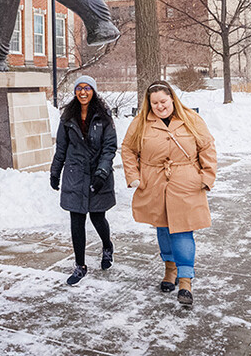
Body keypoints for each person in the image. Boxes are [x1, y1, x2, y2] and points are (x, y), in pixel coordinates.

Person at [121, 80, 216, 306]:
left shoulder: (191, 119)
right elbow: (127, 148)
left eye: (163, 101)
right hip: (154, 183)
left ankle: (185, 281)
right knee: (163, 228)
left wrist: (208, 176)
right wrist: (133, 176)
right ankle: (170, 269)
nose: (159, 106)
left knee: (183, 230)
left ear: (172, 98)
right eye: (154, 103)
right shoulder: (140, 123)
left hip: (186, 182)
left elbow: (207, 146)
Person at [50, 75, 117, 286]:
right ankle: (80, 266)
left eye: (87, 88)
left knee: (98, 218)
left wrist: (101, 174)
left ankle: (107, 246)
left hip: (99, 175)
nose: (83, 92)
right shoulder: (68, 117)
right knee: (76, 221)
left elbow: (109, 148)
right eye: (79, 88)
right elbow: (61, 148)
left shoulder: (104, 117)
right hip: (75, 175)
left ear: (93, 91)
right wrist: (55, 172)